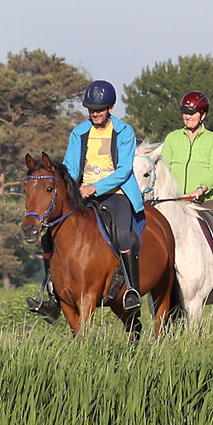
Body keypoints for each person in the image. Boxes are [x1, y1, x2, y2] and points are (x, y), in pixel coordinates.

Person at [28, 79, 145, 320]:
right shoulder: (79, 132)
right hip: (82, 193)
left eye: (99, 110)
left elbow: (123, 170)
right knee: (50, 235)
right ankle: (52, 297)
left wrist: (95, 188)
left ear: (110, 108)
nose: (95, 113)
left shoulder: (124, 132)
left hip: (117, 193)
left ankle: (131, 291)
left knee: (124, 235)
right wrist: (69, 186)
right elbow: (70, 167)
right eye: (91, 109)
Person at [162, 90, 213, 294]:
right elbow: (163, 167)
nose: (188, 116)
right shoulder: (172, 138)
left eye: (193, 112)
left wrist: (202, 188)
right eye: (185, 112)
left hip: (205, 199)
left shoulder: (212, 140)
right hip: (175, 200)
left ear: (203, 115)